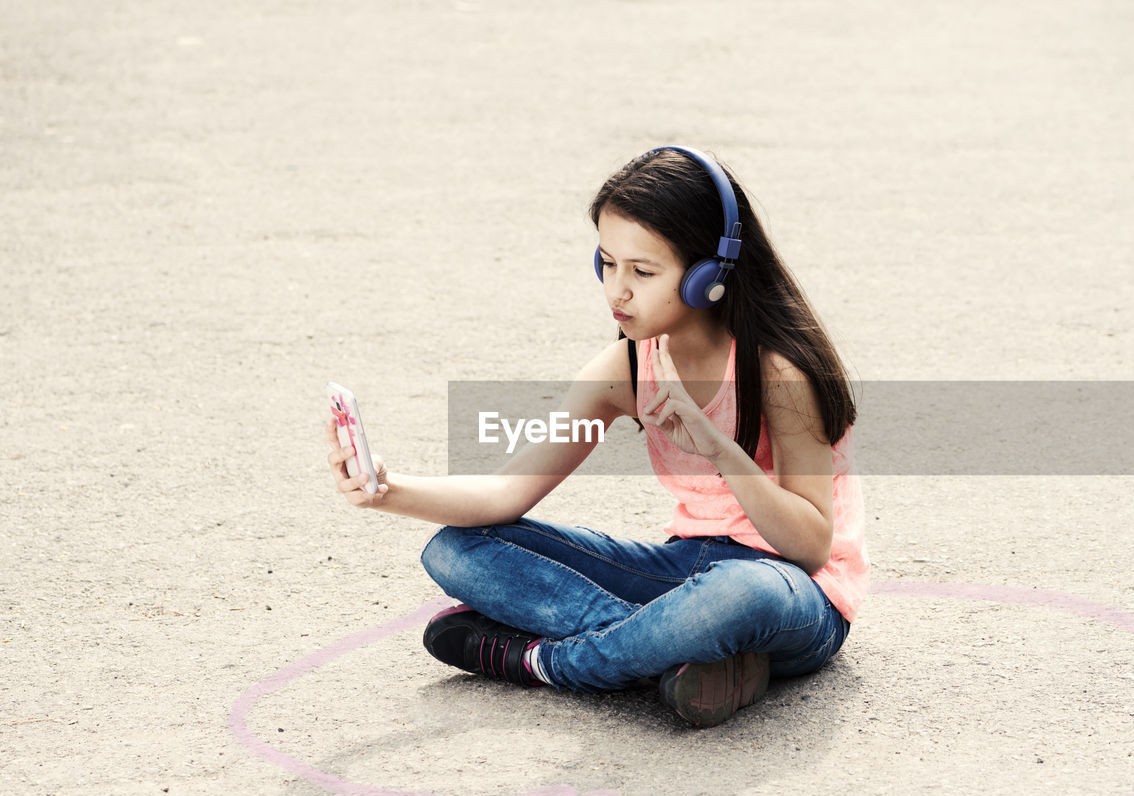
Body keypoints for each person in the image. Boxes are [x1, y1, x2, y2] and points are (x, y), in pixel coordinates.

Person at [325, 146, 869, 727]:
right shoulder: (625, 370)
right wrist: (386, 489)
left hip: (793, 593)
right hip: (685, 568)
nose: (617, 291)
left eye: (642, 271)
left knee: (738, 596)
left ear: (710, 276)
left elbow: (810, 547)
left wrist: (718, 447)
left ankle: (554, 662)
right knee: (457, 548)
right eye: (607, 263)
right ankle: (669, 652)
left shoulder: (779, 373)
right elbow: (505, 495)